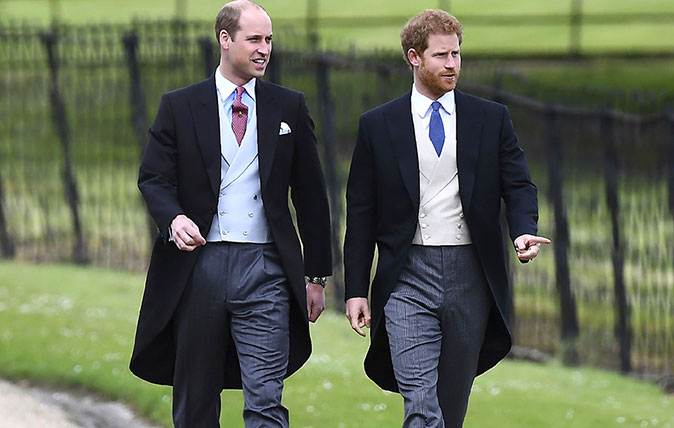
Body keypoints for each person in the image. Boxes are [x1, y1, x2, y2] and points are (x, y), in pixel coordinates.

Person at [343, 9, 550, 428]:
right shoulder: (378, 125)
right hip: (406, 276)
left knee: (450, 408)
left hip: (470, 273)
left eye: (456, 54)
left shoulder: (490, 119)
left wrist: (524, 230)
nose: (452, 64)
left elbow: (519, 185)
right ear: (413, 57)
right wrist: (355, 289)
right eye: (441, 55)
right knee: (420, 404)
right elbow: (361, 213)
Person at [129, 1, 332, 426]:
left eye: (269, 40)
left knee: (266, 401)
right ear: (225, 40)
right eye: (254, 39)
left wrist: (315, 276)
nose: (264, 49)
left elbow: (311, 195)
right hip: (199, 266)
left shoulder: (289, 106)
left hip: (267, 270)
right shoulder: (180, 106)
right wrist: (173, 219)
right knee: (196, 403)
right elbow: (153, 178)